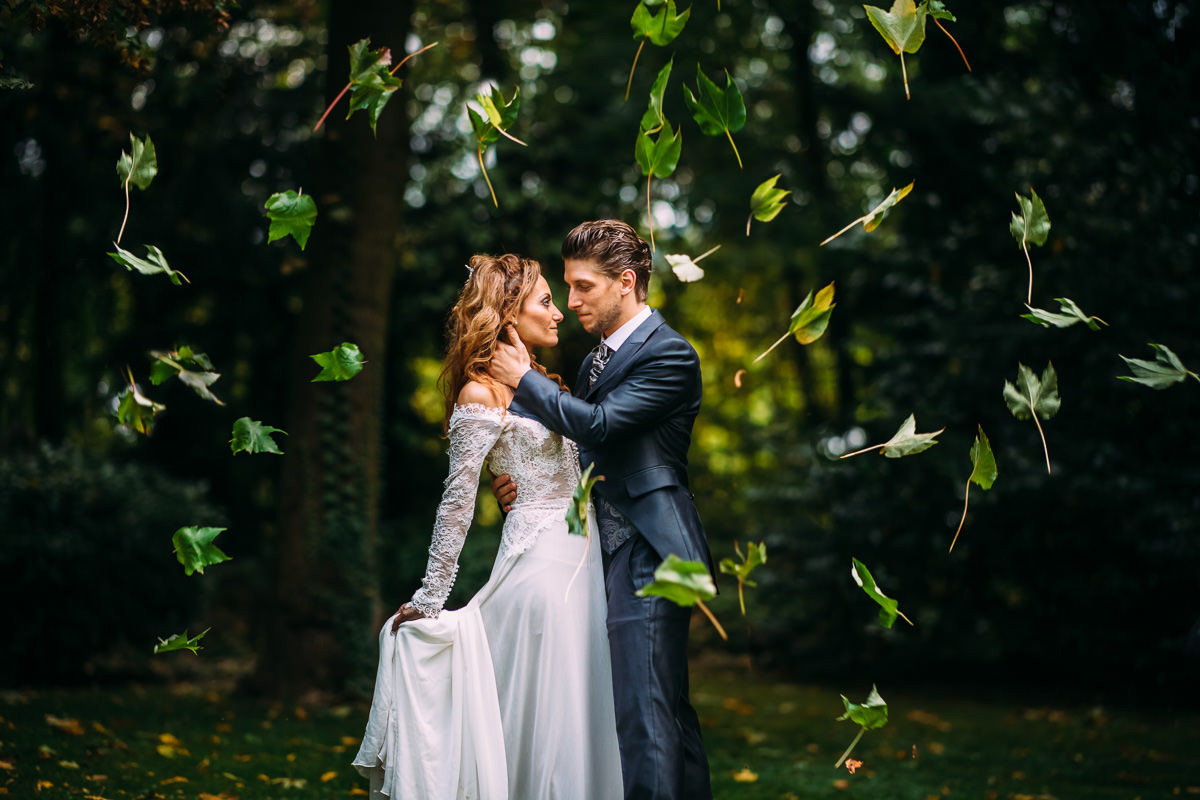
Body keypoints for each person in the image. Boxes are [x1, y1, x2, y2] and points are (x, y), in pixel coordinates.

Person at [352, 253, 622, 800]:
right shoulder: (481, 395)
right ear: (506, 313)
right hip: (541, 571)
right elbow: (456, 504)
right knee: (546, 720)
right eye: (546, 301)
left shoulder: (548, 388)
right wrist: (431, 599)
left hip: (585, 563)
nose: (559, 313)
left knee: (582, 713)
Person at [489, 220, 715, 800]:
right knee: (661, 709)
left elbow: (603, 425)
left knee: (646, 714)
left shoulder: (669, 354)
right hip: (601, 553)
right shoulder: (597, 360)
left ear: (627, 282)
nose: (571, 301)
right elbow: (582, 449)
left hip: (652, 549)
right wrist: (525, 482)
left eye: (584, 286)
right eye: (567, 286)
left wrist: (521, 379)